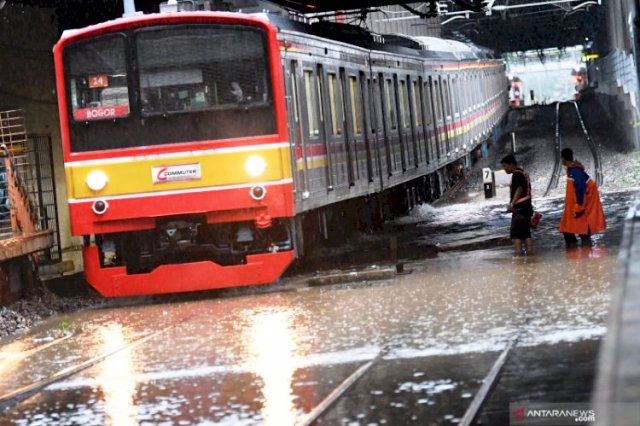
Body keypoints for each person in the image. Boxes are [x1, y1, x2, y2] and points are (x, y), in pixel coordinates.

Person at [559, 148, 606, 248]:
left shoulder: (574, 172)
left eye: (561, 159)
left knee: (579, 231)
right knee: (569, 230)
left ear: (563, 159)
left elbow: (581, 190)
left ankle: (577, 254)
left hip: (580, 207)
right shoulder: (575, 171)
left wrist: (578, 207)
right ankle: (582, 255)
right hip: (578, 207)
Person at [501, 154, 534, 256]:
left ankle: (519, 258)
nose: (504, 169)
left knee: (516, 236)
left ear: (511, 164)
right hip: (527, 209)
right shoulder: (523, 173)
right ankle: (530, 256)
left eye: (505, 166)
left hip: (519, 210)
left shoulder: (516, 174)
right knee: (526, 234)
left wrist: (512, 204)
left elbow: (519, 189)